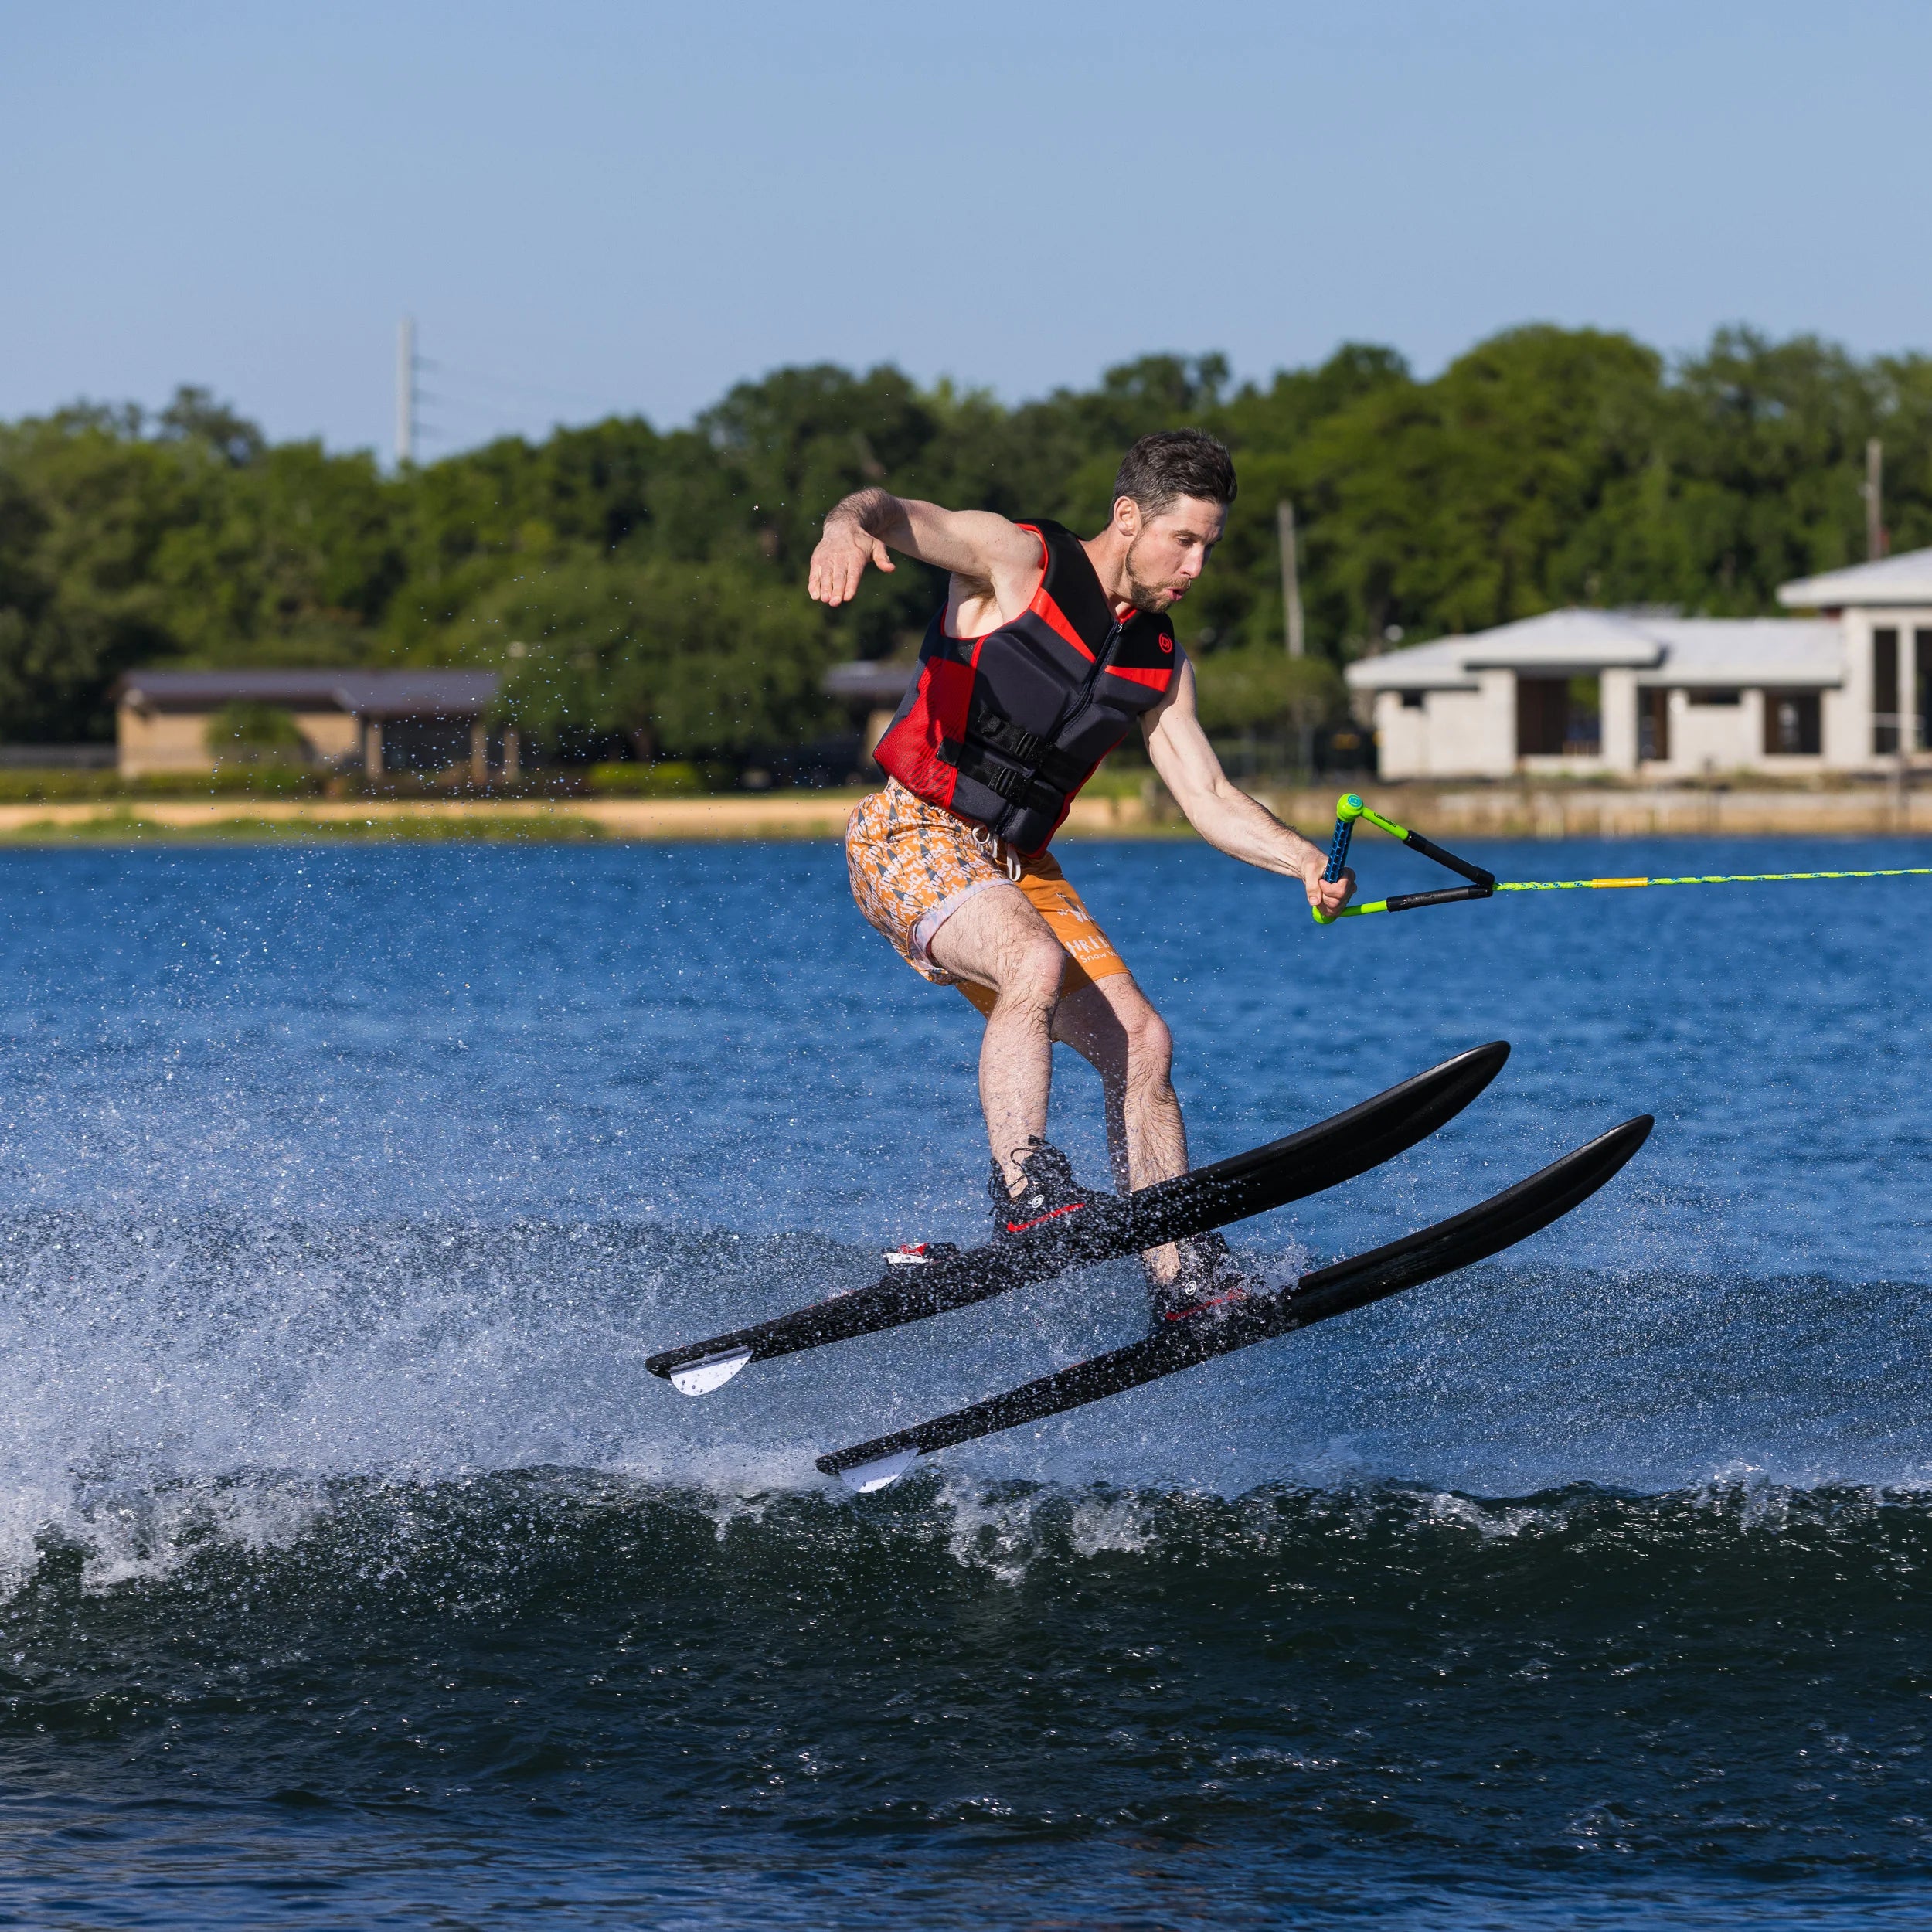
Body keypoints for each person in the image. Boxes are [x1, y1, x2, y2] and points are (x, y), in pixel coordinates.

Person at [808, 430, 1355, 1325]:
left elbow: (1208, 793)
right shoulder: (1016, 561)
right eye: (1183, 540)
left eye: (1210, 547)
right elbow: (896, 514)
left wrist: (1301, 859)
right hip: (911, 829)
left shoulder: (1159, 658)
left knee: (1142, 1042)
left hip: (1019, 864)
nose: (1197, 565)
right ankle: (1026, 1192)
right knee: (1032, 962)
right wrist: (843, 529)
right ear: (1127, 517)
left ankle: (1176, 1273)